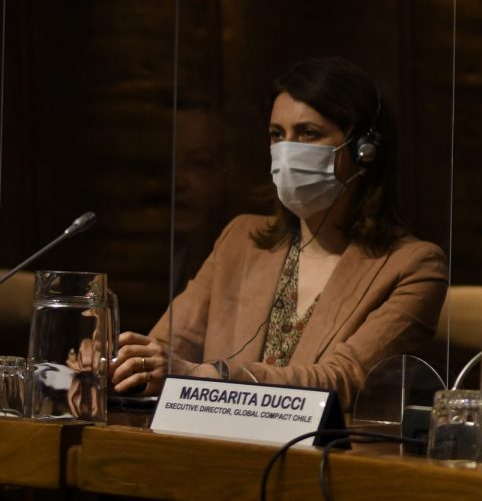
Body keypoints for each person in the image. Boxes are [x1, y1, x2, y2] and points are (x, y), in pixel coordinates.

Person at [112, 57, 448, 407]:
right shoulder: (241, 239)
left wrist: (207, 377)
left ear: (365, 151)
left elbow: (344, 380)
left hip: (324, 441)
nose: (287, 151)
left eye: (308, 133)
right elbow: (168, 346)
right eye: (277, 135)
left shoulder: (414, 267)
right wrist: (117, 365)